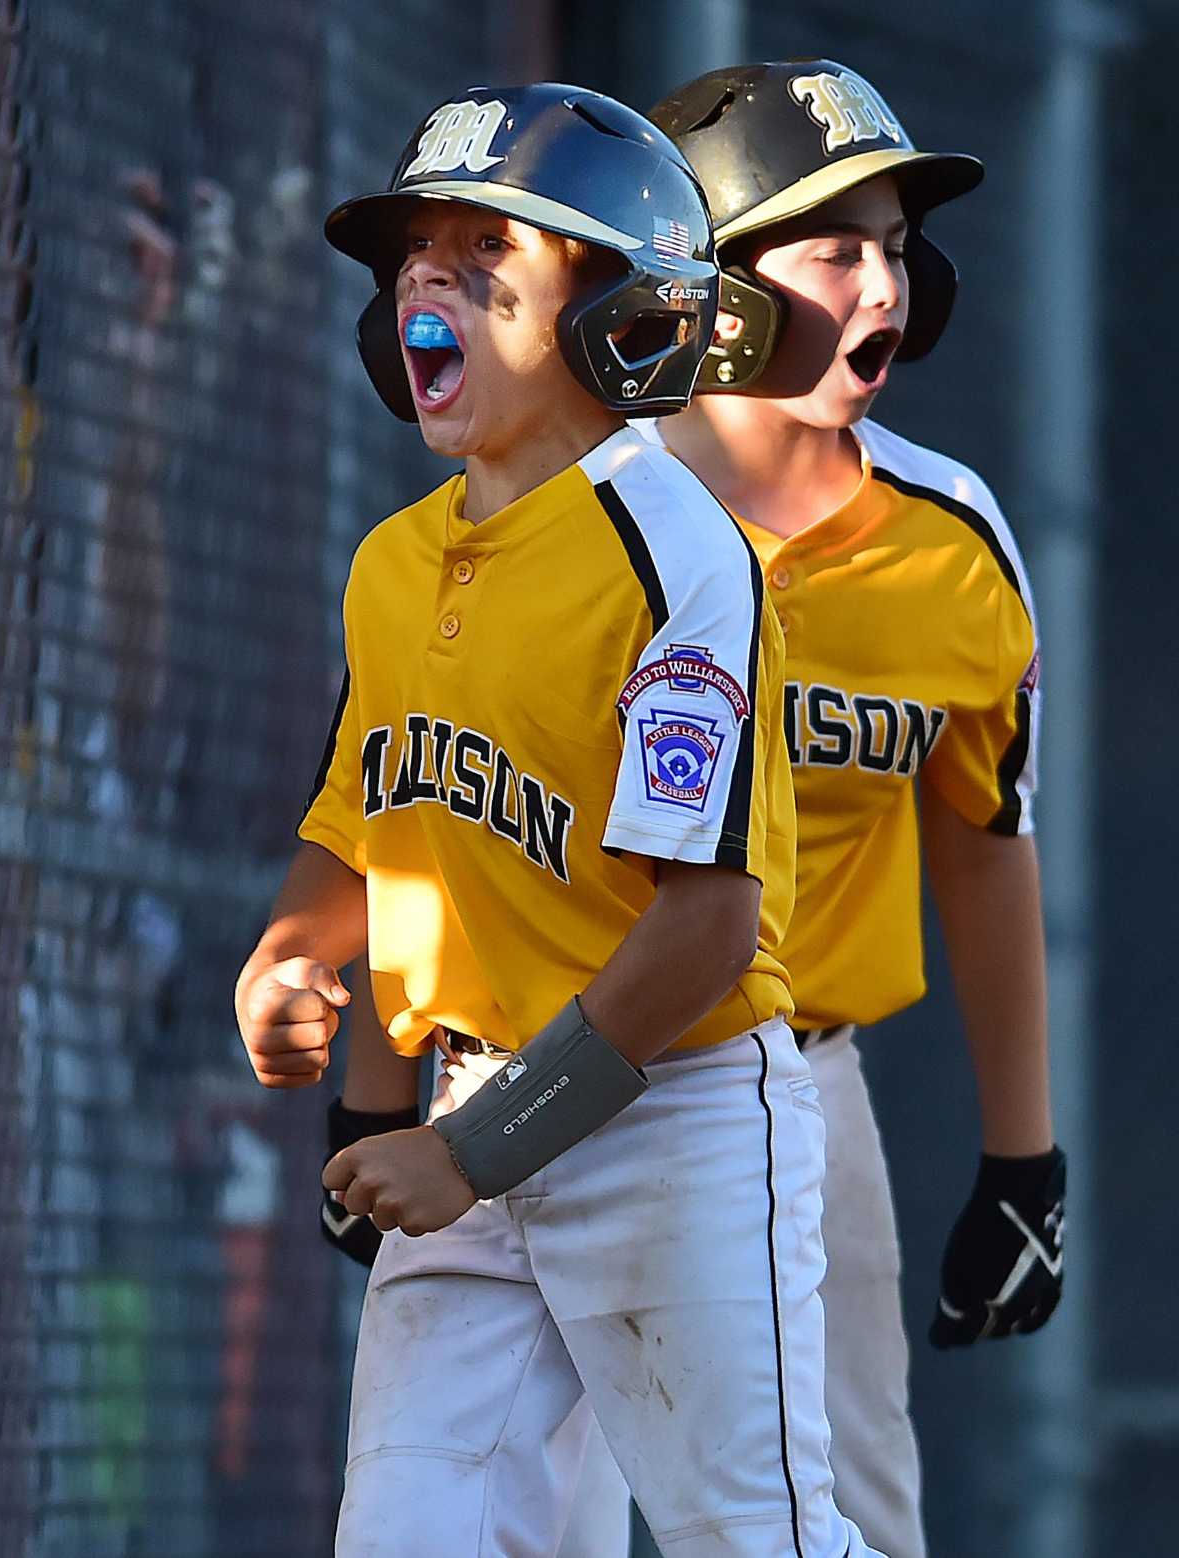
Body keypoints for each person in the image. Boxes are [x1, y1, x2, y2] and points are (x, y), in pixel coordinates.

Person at [237, 82, 879, 1556]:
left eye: (482, 256)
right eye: (413, 254)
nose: (422, 281)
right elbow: (360, 817)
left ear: (621, 322)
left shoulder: (675, 557)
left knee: (749, 1535)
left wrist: (474, 1148)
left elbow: (710, 923)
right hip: (474, 1109)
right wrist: (288, 949)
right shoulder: (394, 563)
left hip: (675, 1116)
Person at [568, 61, 1063, 1558]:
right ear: (714, 285)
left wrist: (1022, 1156)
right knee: (522, 1512)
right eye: (835, 247)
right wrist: (391, 1083)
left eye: (898, 247)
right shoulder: (574, 514)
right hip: (558, 1063)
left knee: (843, 1518)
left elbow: (987, 851)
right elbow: (441, 804)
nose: (883, 285)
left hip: (801, 1082)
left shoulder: (951, 541)